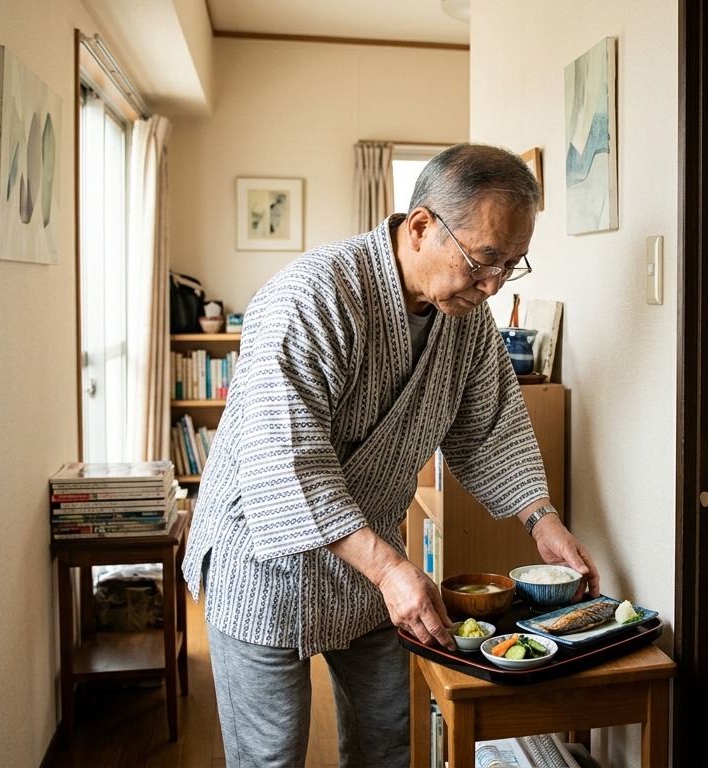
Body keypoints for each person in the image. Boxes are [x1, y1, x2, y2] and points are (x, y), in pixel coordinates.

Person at [182, 143, 602, 768]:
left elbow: (490, 428)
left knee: (390, 741)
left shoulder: (466, 317)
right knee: (270, 757)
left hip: (371, 562)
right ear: (422, 226)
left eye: (512, 266)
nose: (491, 285)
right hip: (262, 563)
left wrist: (543, 522)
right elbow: (287, 463)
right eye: (484, 260)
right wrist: (390, 570)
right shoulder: (311, 296)